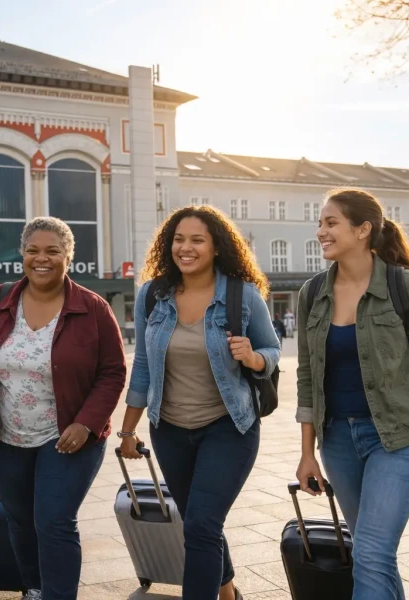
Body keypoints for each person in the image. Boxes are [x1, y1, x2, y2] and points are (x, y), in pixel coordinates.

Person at [295, 188, 409, 600]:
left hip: (399, 436)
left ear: (363, 230)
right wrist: (308, 453)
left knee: (373, 552)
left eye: (331, 222)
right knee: (370, 554)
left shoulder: (406, 286)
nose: (320, 231)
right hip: (338, 441)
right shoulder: (312, 294)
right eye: (320, 222)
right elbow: (308, 377)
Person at [0, 217, 126, 600]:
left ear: (68, 257)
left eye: (52, 251)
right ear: (22, 255)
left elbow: (112, 372)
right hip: (8, 437)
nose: (41, 258)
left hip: (69, 438)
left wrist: (87, 423)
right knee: (21, 522)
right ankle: (34, 589)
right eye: (33, 250)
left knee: (55, 521)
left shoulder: (92, 309)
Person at [119, 205, 281, 600]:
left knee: (202, 525)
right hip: (169, 430)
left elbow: (272, 350)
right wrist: (127, 430)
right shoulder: (152, 296)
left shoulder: (242, 295)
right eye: (178, 239)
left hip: (228, 426)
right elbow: (142, 363)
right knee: (197, 522)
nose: (185, 248)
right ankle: (228, 593)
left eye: (197, 240)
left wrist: (253, 357)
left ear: (216, 247)